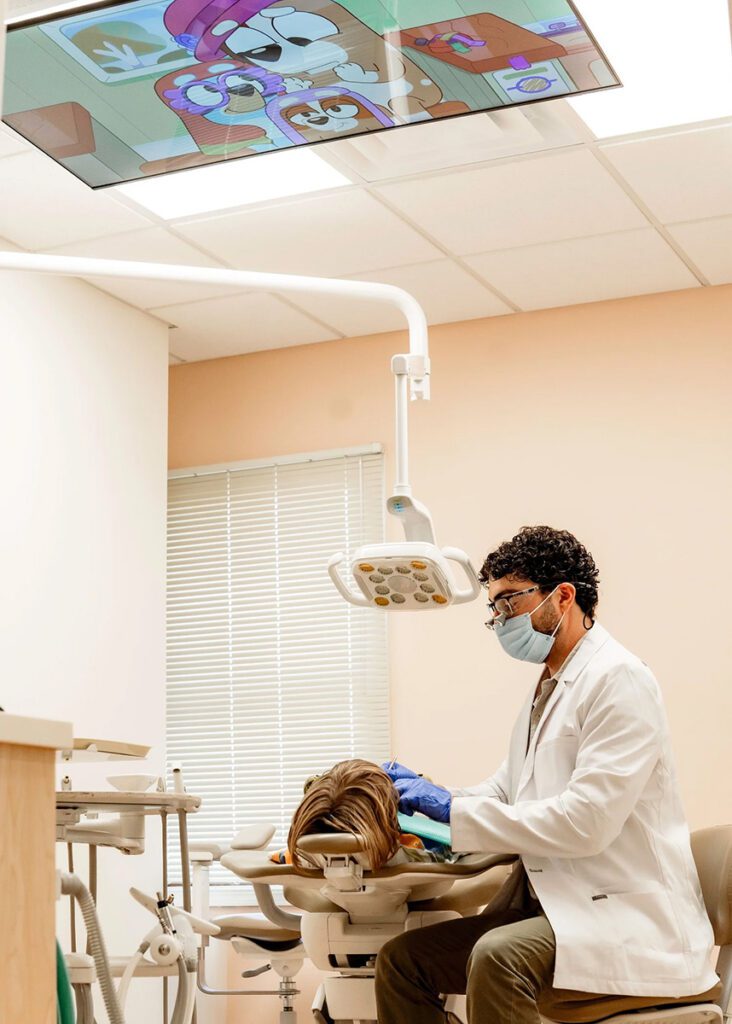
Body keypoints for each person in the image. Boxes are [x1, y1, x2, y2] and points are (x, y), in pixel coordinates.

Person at [375, 525, 721, 1024]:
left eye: (509, 603)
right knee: (404, 962)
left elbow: (586, 823)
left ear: (562, 597)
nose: (499, 620)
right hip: (559, 909)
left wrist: (453, 812)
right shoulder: (549, 689)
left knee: (498, 957)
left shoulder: (618, 679)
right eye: (493, 609)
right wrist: (427, 803)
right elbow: (505, 792)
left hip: (623, 920)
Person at [270, 758, 456, 869]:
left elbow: (281, 855)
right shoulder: (409, 853)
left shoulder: (304, 852)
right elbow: (457, 850)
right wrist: (450, 812)